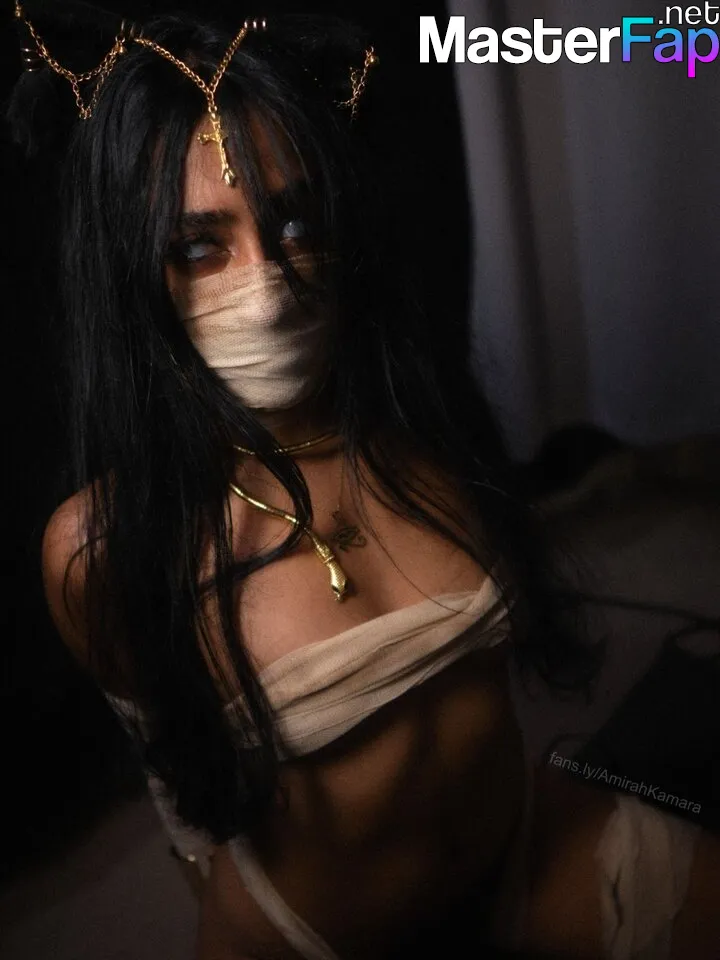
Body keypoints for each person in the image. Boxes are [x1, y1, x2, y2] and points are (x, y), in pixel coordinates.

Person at [11, 3, 718, 958]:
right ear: (133, 273)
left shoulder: (415, 424)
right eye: (199, 245)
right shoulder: (104, 546)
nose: (268, 283)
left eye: (293, 222)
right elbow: (179, 788)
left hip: (524, 849)